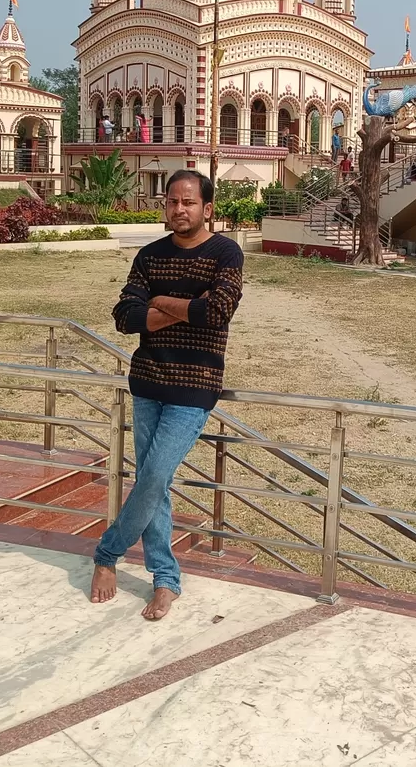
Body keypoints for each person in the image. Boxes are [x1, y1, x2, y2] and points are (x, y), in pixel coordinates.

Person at [91, 169, 244, 620]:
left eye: (189, 202)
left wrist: (158, 303)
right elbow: (124, 315)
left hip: (195, 384)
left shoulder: (225, 252)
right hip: (148, 381)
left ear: (207, 209)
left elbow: (217, 312)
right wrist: (183, 308)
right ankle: (165, 579)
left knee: (154, 477)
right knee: (153, 486)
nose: (179, 209)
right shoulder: (150, 254)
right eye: (173, 202)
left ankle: (106, 554)